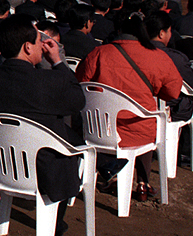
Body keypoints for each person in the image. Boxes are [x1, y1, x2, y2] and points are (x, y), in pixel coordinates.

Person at [0, 14, 87, 234]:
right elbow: (77, 101)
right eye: (37, 42)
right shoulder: (50, 81)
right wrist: (58, 62)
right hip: (46, 168)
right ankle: (56, 222)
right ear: (27, 47)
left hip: (0, 162)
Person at [76, 14, 183, 200]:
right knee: (148, 122)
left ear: (118, 32)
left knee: (140, 125)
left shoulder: (99, 52)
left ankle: (113, 176)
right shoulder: (158, 56)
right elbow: (173, 92)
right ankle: (143, 182)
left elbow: (80, 83)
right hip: (139, 128)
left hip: (100, 128)